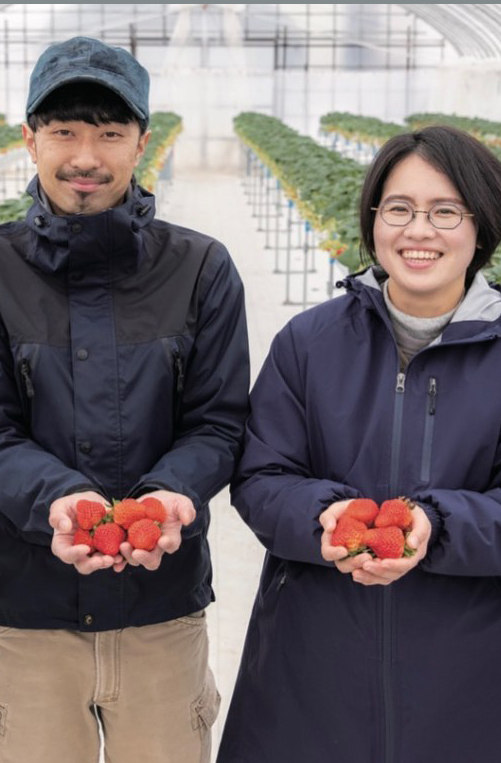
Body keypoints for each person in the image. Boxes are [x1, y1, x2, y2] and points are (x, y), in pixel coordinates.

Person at [217, 125, 501, 763]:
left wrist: (435, 525)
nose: (418, 231)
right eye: (398, 208)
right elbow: (262, 474)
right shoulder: (309, 342)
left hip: (473, 677)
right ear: (374, 219)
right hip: (312, 667)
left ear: (482, 226)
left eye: (445, 211)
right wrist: (322, 516)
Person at [0, 36, 249, 763]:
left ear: (143, 141)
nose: (86, 156)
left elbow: (219, 420)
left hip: (161, 616)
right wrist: (57, 499)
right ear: (30, 138)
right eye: (65, 131)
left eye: (110, 133)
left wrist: (172, 494)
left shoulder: (201, 267)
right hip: (25, 618)